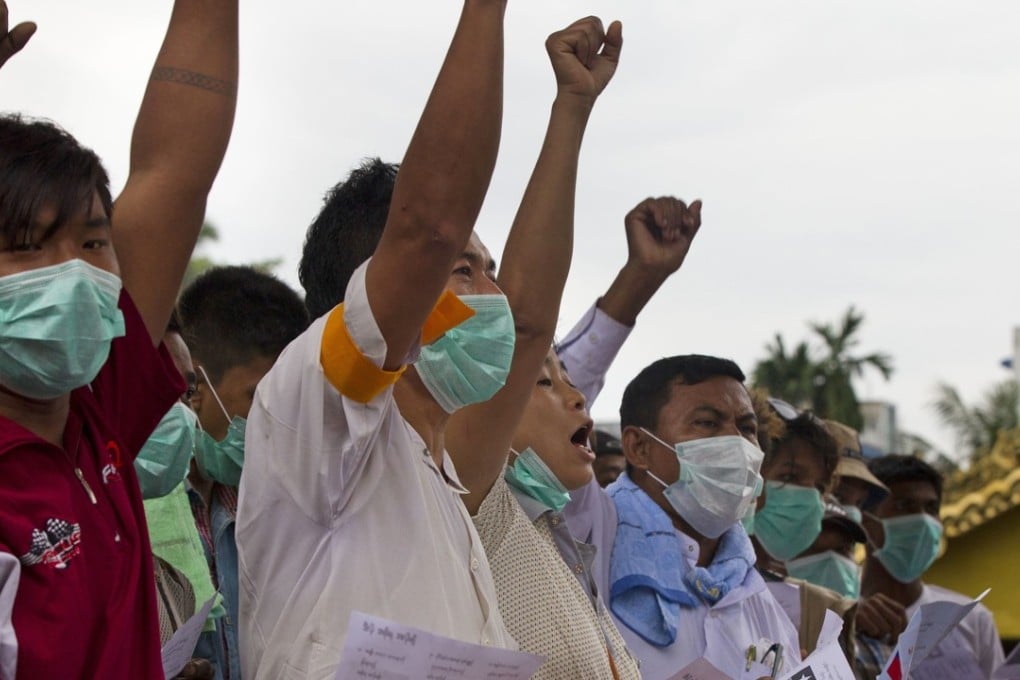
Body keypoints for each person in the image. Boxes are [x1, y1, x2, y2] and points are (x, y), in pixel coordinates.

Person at [235, 1, 515, 677]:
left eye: (492, 272)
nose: (496, 297)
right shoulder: (323, 414)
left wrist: (571, 111)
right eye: (463, 273)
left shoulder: (436, 469)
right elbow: (428, 229)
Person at [0, 0, 236, 676]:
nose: (73, 275)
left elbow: (176, 169)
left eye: (94, 244)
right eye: (25, 248)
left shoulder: (98, 406)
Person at [567, 355, 801, 679]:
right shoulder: (589, 532)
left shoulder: (749, 585)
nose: (737, 442)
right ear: (638, 447)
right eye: (707, 422)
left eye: (747, 428)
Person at [177, 265, 308, 680]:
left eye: (288, 399)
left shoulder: (277, 505)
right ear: (195, 386)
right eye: (260, 397)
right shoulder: (144, 506)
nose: (278, 418)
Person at [854, 454, 1005, 679]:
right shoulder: (840, 617)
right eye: (904, 506)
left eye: (932, 508)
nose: (923, 521)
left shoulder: (971, 620)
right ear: (865, 521)